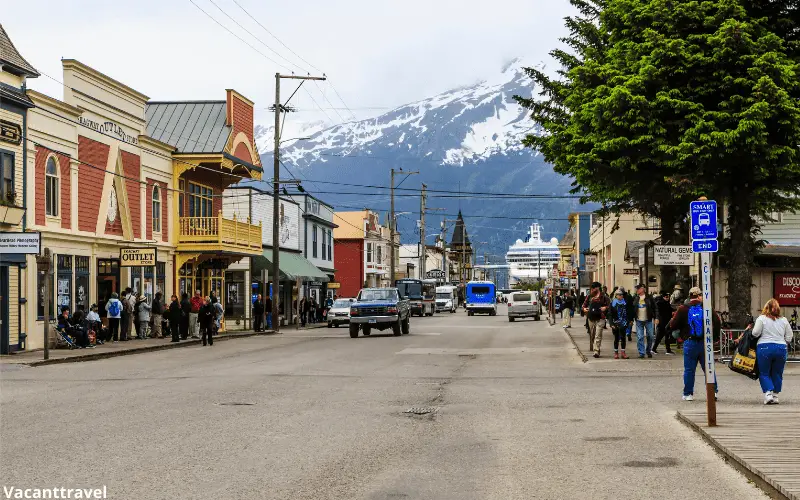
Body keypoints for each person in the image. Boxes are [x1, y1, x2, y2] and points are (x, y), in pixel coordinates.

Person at [669, 287, 720, 401]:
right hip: (705, 342)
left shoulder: (683, 309)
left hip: (690, 342)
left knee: (689, 370)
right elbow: (717, 322)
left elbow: (673, 325)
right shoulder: (706, 308)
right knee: (708, 368)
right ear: (699, 296)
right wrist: (714, 338)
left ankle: (688, 394)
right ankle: (713, 392)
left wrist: (681, 334)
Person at [752, 299, 794, 405]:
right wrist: (783, 342)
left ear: (766, 308)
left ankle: (768, 394)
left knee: (764, 372)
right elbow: (789, 336)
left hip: (764, 347)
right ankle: (775, 395)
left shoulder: (761, 319)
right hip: (781, 348)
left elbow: (755, 333)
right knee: (777, 372)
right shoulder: (784, 320)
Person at [582, 282, 610, 358]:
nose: (593, 289)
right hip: (591, 318)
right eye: (592, 288)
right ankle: (595, 347)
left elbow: (610, 306)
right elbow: (583, 305)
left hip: (600, 318)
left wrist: (605, 308)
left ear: (598, 288)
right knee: (592, 335)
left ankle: (596, 351)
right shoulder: (589, 296)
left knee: (598, 335)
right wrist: (584, 309)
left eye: (594, 287)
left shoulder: (604, 296)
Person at [633, 284, 657, 358]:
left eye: (638, 289)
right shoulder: (635, 298)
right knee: (640, 337)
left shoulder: (649, 298)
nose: (637, 290)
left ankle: (648, 350)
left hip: (648, 320)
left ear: (642, 289)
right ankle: (641, 353)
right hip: (639, 320)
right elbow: (632, 308)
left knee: (650, 336)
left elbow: (655, 308)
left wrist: (656, 317)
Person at [609, 289, 629, 359]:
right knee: (616, 338)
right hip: (615, 323)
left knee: (623, 338)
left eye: (622, 295)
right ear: (616, 295)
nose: (621, 296)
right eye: (619, 295)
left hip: (623, 322)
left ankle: (623, 353)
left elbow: (628, 313)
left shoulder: (625, 303)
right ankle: (616, 353)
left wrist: (628, 321)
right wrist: (611, 324)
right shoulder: (612, 303)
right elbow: (610, 314)